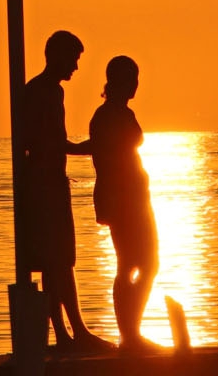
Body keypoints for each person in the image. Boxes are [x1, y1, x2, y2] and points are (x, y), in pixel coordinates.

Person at [18, 30, 110, 353]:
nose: (75, 67)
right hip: (46, 187)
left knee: (58, 261)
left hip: (50, 183)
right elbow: (49, 142)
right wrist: (92, 148)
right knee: (56, 260)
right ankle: (69, 333)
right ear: (57, 56)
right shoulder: (44, 92)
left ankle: (69, 332)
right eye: (73, 59)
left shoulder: (45, 91)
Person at [88, 56, 159, 353]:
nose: (136, 85)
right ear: (117, 81)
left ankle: (133, 331)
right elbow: (101, 152)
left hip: (137, 198)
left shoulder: (124, 113)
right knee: (128, 264)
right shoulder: (105, 116)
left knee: (148, 263)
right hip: (122, 201)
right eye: (131, 78)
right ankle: (129, 335)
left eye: (137, 78)